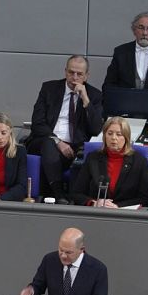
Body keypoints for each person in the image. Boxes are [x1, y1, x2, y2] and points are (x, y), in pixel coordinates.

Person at [27, 55, 104, 199]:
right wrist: (58, 142)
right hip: (45, 141)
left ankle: (56, 196)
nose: (74, 77)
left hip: (75, 146)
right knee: (49, 143)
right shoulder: (49, 88)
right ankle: (58, 193)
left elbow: (96, 129)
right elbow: (37, 123)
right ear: (65, 72)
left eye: (79, 74)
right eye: (71, 72)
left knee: (77, 152)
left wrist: (86, 100)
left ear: (86, 76)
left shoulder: (94, 95)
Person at [19, 227, 108, 295]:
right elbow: (38, 285)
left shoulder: (98, 269)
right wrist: (31, 291)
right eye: (61, 250)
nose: (63, 256)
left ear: (81, 250)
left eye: (69, 252)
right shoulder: (49, 260)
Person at [69, 116, 148, 208]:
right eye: (110, 133)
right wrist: (94, 203)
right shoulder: (93, 158)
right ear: (104, 137)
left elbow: (145, 198)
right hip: (97, 212)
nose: (113, 138)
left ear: (126, 138)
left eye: (119, 134)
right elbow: (77, 193)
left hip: (125, 214)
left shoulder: (139, 161)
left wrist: (117, 206)